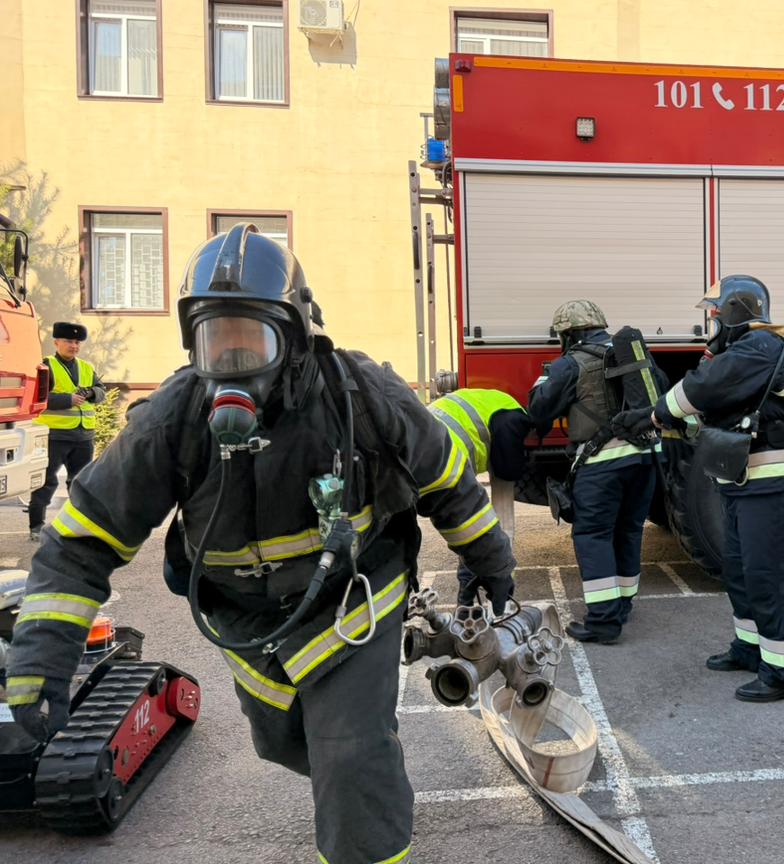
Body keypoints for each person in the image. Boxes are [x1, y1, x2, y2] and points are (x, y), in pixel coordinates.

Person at [1, 224, 515, 864]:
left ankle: (364, 794)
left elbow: (448, 482)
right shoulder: (173, 419)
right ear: (194, 345)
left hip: (355, 597)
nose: (233, 364)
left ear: (297, 339)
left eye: (254, 341)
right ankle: (354, 768)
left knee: (351, 754)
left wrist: (492, 562)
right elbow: (82, 541)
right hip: (245, 622)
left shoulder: (360, 397)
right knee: (284, 744)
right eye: (218, 343)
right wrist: (41, 658)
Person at [651, 275, 784, 703]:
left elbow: (705, 386)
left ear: (738, 311)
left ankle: (783, 672)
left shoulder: (760, 347)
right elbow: (719, 406)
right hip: (746, 483)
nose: (713, 319)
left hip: (770, 484)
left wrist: (660, 411)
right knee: (741, 571)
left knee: (770, 575)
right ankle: (750, 648)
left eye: (717, 311)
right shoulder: (746, 350)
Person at [528, 300, 664, 644]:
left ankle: (603, 621)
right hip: (646, 459)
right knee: (629, 530)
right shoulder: (635, 356)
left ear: (568, 334)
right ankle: (622, 604)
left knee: (594, 535)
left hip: (603, 463)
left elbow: (539, 409)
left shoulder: (571, 363)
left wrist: (543, 379)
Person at [29, 322, 105, 541]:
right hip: (56, 436)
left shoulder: (86, 367)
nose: (73, 346)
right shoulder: (46, 365)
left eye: (76, 342)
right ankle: (36, 526)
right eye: (68, 341)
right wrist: (67, 399)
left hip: (83, 436)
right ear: (56, 342)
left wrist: (91, 392)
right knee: (46, 481)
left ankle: (76, 526)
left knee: (80, 483)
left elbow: (102, 391)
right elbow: (39, 398)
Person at [428, 388, 533, 539]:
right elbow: (506, 474)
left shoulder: (495, 402)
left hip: (422, 437)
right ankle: (495, 553)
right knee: (465, 513)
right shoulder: (513, 419)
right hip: (447, 454)